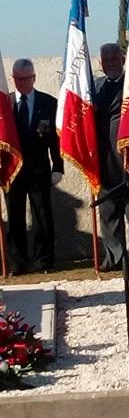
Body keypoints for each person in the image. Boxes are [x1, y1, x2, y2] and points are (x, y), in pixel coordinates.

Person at [94, 43, 129, 272]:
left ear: (123, 59)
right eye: (106, 61)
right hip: (103, 159)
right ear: (100, 63)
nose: (110, 64)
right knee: (107, 211)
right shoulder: (94, 87)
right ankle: (114, 256)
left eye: (114, 60)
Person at [7, 59, 63, 275]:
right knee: (15, 217)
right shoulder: (5, 104)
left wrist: (58, 166)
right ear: (13, 79)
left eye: (27, 78)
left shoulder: (48, 102)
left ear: (34, 78)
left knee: (42, 216)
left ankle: (44, 261)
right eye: (18, 79)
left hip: (39, 169)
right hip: (12, 171)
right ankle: (17, 263)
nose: (23, 83)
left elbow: (56, 140)